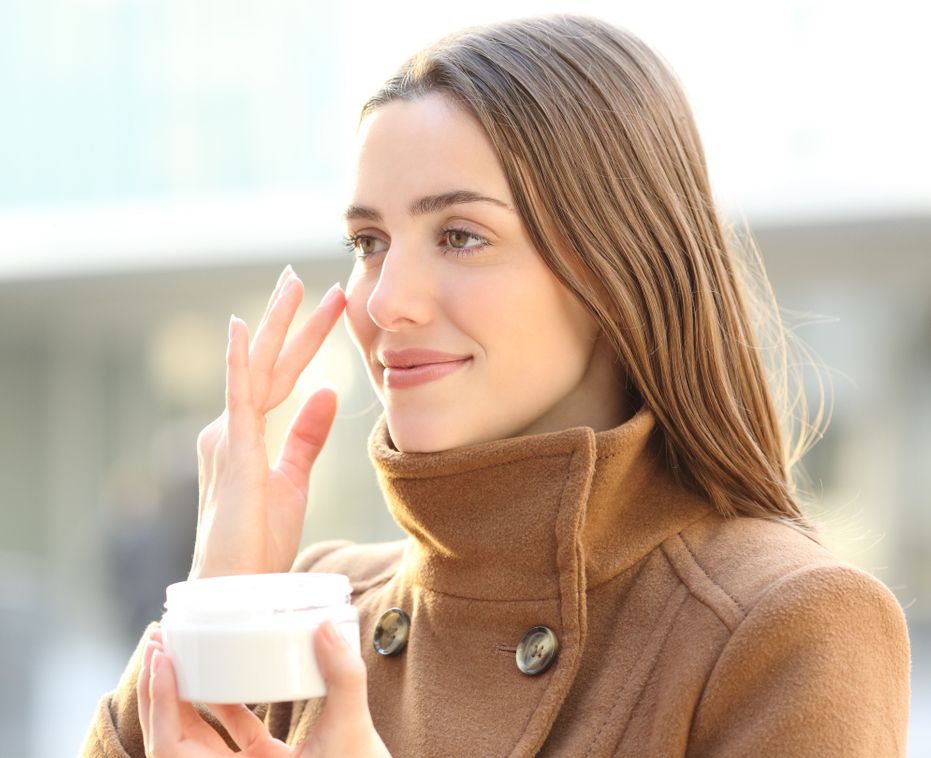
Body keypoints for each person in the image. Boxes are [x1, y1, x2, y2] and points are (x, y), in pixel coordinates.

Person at [80, 13, 911, 757]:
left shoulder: (784, 626)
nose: (383, 301)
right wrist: (219, 611)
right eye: (368, 241)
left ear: (615, 266)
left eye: (460, 235)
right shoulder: (313, 609)